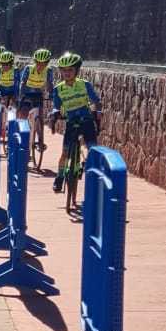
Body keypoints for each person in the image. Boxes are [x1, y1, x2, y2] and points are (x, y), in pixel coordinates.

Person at [50, 53, 102, 215]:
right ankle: (59, 177)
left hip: (86, 119)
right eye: (64, 70)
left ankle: (87, 162)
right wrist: (55, 113)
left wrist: (97, 111)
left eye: (70, 70)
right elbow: (56, 106)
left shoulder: (85, 85)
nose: (67, 73)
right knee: (65, 152)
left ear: (77, 71)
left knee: (90, 145)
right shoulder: (58, 89)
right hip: (71, 121)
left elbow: (95, 100)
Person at [16, 47, 54, 167]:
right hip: (26, 94)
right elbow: (22, 83)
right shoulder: (29, 68)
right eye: (38, 63)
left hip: (37, 94)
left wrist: (52, 95)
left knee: (40, 118)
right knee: (23, 115)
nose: (40, 66)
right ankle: (22, 139)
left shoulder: (49, 71)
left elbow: (49, 84)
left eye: (43, 64)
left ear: (47, 63)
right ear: (35, 61)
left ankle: (40, 141)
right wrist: (20, 97)